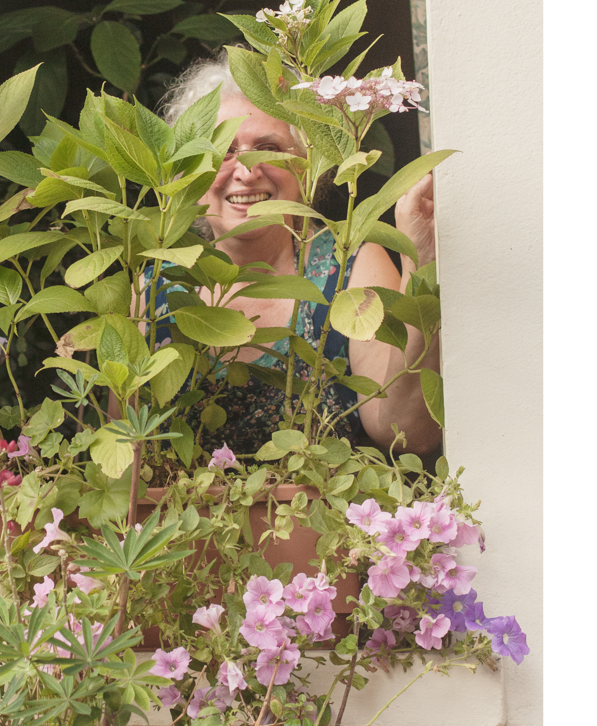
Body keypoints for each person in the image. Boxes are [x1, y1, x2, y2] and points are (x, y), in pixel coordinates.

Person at [159, 57, 441, 458]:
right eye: (222, 152)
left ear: (309, 164)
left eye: (268, 149)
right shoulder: (159, 288)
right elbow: (129, 465)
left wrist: (421, 261)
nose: (246, 170)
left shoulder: (350, 264)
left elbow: (406, 432)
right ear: (188, 173)